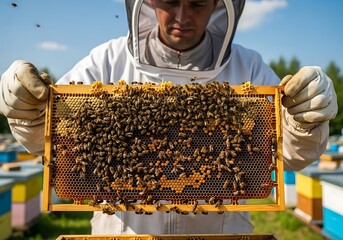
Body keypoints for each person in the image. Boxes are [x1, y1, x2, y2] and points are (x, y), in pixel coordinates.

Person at [0, 0, 338, 235]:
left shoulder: (247, 67)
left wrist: (304, 120)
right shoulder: (105, 61)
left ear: (220, 6)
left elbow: (290, 155)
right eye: (169, 1)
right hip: (121, 235)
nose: (182, 15)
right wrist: (29, 114)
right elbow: (55, 145)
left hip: (222, 235)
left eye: (197, 3)